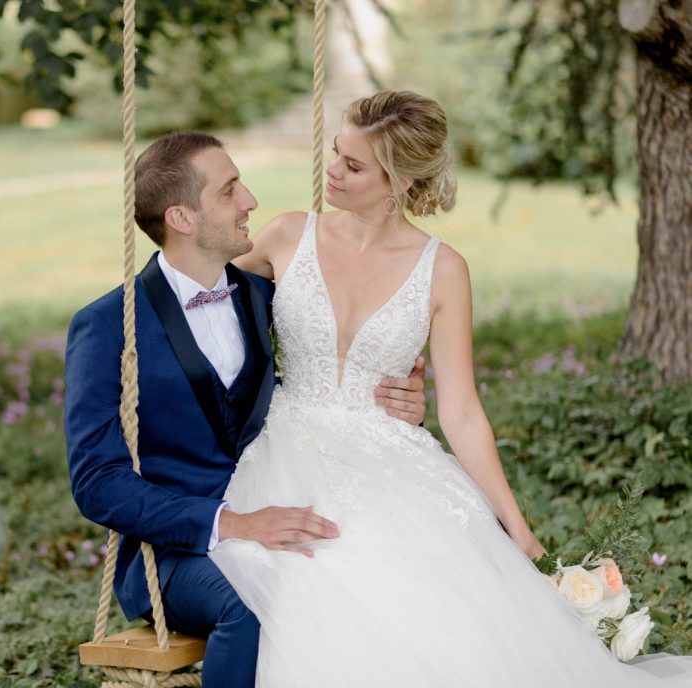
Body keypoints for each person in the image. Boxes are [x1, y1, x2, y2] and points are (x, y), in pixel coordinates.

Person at [207, 90, 692, 686]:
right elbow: (197, 308)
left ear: (402, 182)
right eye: (337, 153)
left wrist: (518, 528)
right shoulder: (286, 235)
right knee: (314, 583)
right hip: (287, 447)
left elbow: (461, 413)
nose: (331, 170)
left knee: (426, 593)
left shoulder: (442, 269)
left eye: (353, 166)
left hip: (388, 458)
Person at [64, 131, 429, 688]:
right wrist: (229, 524)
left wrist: (396, 399)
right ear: (182, 218)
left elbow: (313, 389)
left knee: (382, 577)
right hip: (176, 553)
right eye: (230, 190)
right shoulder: (109, 325)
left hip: (281, 510)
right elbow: (97, 482)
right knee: (254, 603)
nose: (252, 201)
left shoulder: (266, 297)